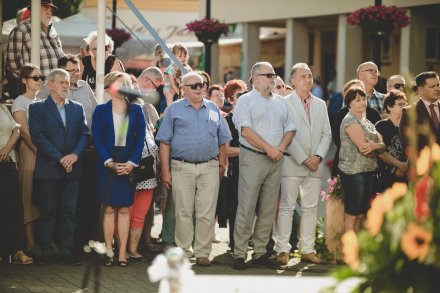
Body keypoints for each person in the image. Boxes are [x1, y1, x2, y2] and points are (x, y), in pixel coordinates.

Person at [156, 72, 231, 266]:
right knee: (183, 212)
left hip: (210, 167)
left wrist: (222, 165)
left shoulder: (213, 108)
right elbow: (164, 142)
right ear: (184, 89)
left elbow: (223, 139)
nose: (200, 88)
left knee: (206, 212)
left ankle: (203, 252)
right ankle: (183, 250)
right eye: (195, 85)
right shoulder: (174, 109)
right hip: (181, 167)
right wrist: (165, 171)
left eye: (203, 84)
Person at [232, 62, 296, 270]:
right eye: (268, 75)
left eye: (274, 74)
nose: (272, 78)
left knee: (268, 208)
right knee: (247, 206)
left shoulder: (281, 102)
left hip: (275, 159)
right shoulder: (245, 100)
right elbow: (245, 131)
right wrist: (270, 148)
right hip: (253, 158)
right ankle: (240, 253)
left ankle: (260, 252)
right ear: (255, 78)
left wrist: (279, 148)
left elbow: (291, 128)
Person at [29, 69, 89, 265]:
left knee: (69, 212)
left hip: (73, 169)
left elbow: (84, 135)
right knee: (48, 212)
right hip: (49, 169)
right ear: (50, 85)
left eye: (67, 82)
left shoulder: (77, 108)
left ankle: (66, 251)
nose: (66, 85)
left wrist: (74, 156)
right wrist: (61, 158)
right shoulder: (37, 108)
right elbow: (38, 137)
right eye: (61, 82)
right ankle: (45, 252)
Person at [275, 63, 332, 265]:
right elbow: (284, 132)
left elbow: (327, 134)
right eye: (303, 76)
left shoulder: (320, 104)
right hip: (293, 162)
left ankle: (307, 249)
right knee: (287, 207)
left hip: (315, 165)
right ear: (292, 80)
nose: (308, 80)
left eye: (309, 76)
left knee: (310, 208)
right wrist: (304, 158)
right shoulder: (283, 102)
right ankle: (282, 249)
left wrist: (317, 156)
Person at [92, 72, 146, 267]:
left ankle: (122, 252)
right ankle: (108, 251)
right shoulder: (100, 110)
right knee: (108, 208)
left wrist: (131, 163)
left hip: (127, 164)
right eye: (119, 84)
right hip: (107, 165)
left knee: (124, 209)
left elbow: (140, 139)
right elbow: (96, 138)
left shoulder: (137, 111)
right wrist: (109, 162)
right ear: (109, 88)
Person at [338, 86, 385, 233]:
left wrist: (376, 146)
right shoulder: (350, 121)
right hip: (354, 173)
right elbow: (365, 150)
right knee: (352, 214)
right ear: (349, 103)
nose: (362, 102)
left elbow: (383, 144)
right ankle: (347, 252)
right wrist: (378, 148)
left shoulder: (366, 121)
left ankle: (356, 250)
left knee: (361, 214)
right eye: (358, 100)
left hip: (368, 171)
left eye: (364, 99)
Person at [11, 64, 42, 256]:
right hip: (31, 151)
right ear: (24, 80)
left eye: (41, 77)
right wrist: (39, 151)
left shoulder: (44, 101)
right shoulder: (19, 102)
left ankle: (41, 241)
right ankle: (29, 243)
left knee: (42, 196)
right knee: (28, 194)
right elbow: (23, 131)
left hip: (46, 152)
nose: (39, 80)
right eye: (35, 77)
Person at [6, 0, 64, 98]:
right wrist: (32, 82)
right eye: (45, 8)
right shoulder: (21, 29)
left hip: (56, 91)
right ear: (33, 9)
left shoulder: (53, 30)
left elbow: (60, 57)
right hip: (36, 93)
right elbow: (13, 64)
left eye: (51, 9)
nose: (49, 12)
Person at [0, 102, 33, 265]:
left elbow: (16, 130)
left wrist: (6, 150)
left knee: (14, 206)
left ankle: (17, 250)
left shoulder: (2, 107)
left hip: (7, 161)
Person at [331, 79, 381, 177]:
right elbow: (337, 138)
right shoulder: (343, 114)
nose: (358, 93)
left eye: (361, 90)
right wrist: (378, 151)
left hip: (372, 168)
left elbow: (380, 137)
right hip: (350, 167)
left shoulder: (373, 113)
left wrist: (378, 147)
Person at [221, 79, 248, 252]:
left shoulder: (251, 117)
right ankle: (234, 242)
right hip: (236, 169)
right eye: (241, 95)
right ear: (231, 100)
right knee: (236, 206)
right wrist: (248, 151)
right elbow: (225, 150)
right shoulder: (227, 120)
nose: (246, 98)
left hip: (252, 167)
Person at [37, 54, 98, 129]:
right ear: (61, 72)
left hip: (87, 137)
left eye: (78, 70)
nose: (76, 74)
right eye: (72, 71)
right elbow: (38, 113)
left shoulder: (84, 85)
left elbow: (97, 111)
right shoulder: (49, 87)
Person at [375, 90, 408, 192]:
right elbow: (380, 152)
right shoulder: (380, 126)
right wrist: (400, 165)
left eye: (405, 104)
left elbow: (415, 146)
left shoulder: (410, 124)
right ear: (389, 107)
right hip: (386, 177)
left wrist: (406, 166)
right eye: (400, 104)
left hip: (407, 177)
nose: (404, 107)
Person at [400, 71, 440, 152]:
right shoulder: (409, 113)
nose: (437, 89)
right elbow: (408, 144)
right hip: (425, 162)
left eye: (438, 85)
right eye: (432, 87)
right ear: (420, 90)